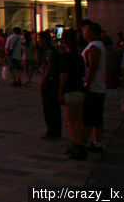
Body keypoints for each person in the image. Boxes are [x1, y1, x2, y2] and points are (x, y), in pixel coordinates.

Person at [58, 29, 87, 160]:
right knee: (78, 119)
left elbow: (63, 76)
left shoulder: (66, 56)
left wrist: (60, 92)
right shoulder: (79, 56)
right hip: (80, 88)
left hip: (70, 90)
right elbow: (83, 74)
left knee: (71, 120)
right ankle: (78, 144)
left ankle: (79, 146)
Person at [80, 20, 106, 153]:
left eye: (85, 30)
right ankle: (97, 142)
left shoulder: (94, 47)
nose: (83, 32)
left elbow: (92, 67)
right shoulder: (96, 45)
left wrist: (87, 83)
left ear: (91, 32)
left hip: (94, 87)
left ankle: (82, 144)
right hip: (98, 87)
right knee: (96, 117)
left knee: (89, 117)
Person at [37, 30, 62, 139]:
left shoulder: (49, 51)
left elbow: (49, 65)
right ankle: (54, 130)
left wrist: (44, 80)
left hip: (50, 82)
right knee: (52, 107)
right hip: (51, 80)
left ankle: (52, 131)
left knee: (50, 107)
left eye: (39, 39)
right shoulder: (48, 50)